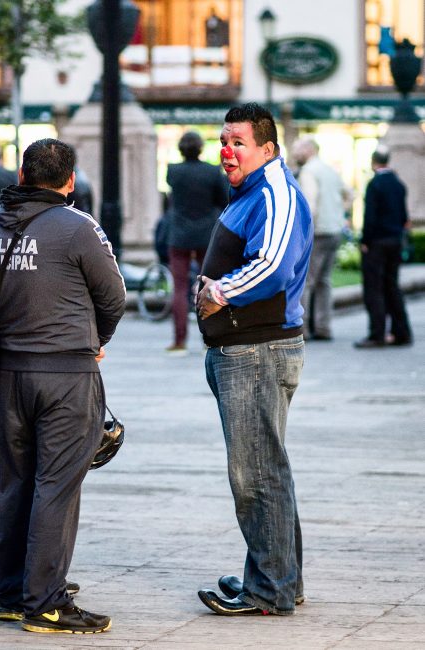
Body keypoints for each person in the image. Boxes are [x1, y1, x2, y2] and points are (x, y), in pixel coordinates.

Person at [0, 138, 125, 634]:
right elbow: (115, 296)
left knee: (15, 482)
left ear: (21, 175)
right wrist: (96, 340)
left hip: (7, 376)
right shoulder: (79, 227)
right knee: (56, 486)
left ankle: (12, 593)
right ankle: (46, 603)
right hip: (65, 375)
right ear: (69, 181)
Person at [195, 103, 313, 616]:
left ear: (267, 148)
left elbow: (274, 265)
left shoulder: (275, 192)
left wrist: (219, 290)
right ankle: (279, 576)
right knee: (269, 468)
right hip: (244, 348)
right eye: (224, 139)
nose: (227, 150)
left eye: (238, 141)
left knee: (256, 473)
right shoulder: (249, 192)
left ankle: (269, 590)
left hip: (257, 351)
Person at [165, 131, 229, 355]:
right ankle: (209, 337)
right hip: (206, 235)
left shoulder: (173, 171)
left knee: (179, 288)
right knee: (208, 285)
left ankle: (179, 341)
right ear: (201, 148)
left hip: (179, 235)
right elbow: (223, 201)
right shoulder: (212, 172)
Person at [292, 138, 351, 341]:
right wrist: (340, 213)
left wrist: (304, 232)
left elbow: (310, 204)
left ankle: (303, 329)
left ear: (308, 150)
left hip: (317, 232)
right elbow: (350, 194)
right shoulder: (330, 169)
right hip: (334, 230)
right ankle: (324, 327)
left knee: (306, 282)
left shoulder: (309, 171)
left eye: (297, 149)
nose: (294, 153)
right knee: (324, 281)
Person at [354, 147, 412, 348]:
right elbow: (405, 217)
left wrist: (365, 241)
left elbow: (370, 217)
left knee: (374, 289)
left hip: (377, 243)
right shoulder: (398, 184)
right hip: (395, 241)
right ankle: (401, 331)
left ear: (373, 162)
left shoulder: (374, 184)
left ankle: (377, 333)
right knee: (392, 286)